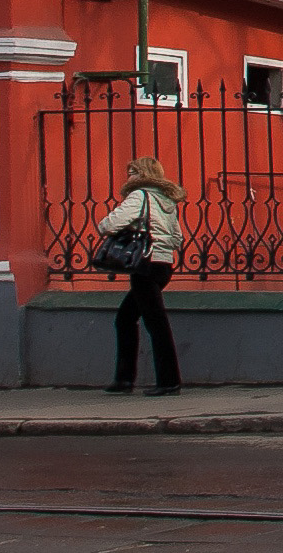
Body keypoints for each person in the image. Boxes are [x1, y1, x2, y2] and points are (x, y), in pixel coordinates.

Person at [97, 155, 184, 394]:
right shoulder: (167, 200)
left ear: (143, 174)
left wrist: (106, 225)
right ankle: (124, 380)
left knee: (156, 324)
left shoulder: (139, 196)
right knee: (125, 318)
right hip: (163, 265)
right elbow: (177, 237)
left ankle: (168, 382)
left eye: (132, 172)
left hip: (145, 265)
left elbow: (109, 224)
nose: (129, 177)